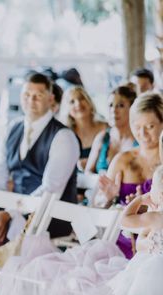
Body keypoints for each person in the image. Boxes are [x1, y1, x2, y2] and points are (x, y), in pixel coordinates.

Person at [0, 72, 80, 244]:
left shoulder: (63, 137)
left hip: (50, 215)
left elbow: (50, 190)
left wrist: (9, 213)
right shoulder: (12, 128)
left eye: (38, 95)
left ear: (51, 99)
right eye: (27, 95)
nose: (31, 100)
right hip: (17, 205)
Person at [96, 92, 163, 258]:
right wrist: (109, 197)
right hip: (121, 241)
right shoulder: (122, 160)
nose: (142, 134)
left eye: (150, 126)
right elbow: (100, 206)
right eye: (137, 126)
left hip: (154, 241)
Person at [107, 165, 163, 295]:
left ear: (161, 195)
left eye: (152, 190)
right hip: (152, 261)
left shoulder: (156, 217)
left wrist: (139, 200)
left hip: (153, 269)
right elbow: (140, 244)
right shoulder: (155, 215)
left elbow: (124, 220)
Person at [86, 85, 138, 174]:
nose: (114, 110)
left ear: (132, 108)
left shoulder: (139, 140)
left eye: (120, 105)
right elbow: (88, 172)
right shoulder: (102, 137)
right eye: (111, 105)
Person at [60, 86, 108, 171]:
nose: (78, 103)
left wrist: (92, 163)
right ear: (67, 109)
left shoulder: (106, 127)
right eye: (72, 102)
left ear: (89, 102)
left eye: (81, 98)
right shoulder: (65, 135)